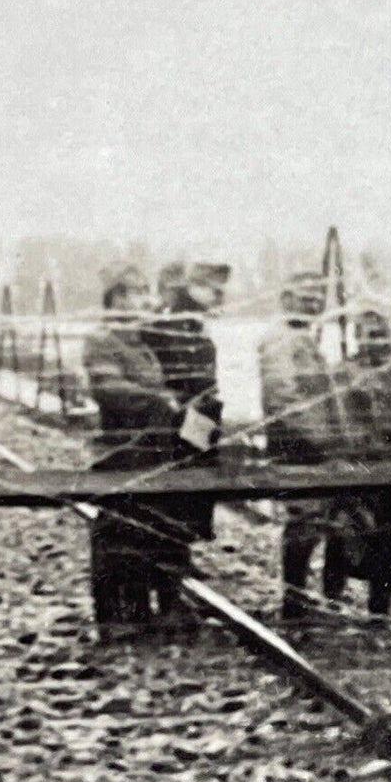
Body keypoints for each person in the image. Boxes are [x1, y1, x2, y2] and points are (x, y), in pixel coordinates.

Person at [82, 265, 184, 637]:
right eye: (135, 293)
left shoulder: (142, 345)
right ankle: (114, 617)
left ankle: (143, 609)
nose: (144, 300)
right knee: (117, 530)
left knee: (149, 525)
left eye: (144, 292)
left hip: (150, 450)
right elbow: (108, 389)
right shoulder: (102, 340)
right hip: (120, 449)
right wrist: (159, 400)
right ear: (116, 299)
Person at [323, 310, 391, 617]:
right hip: (356, 465)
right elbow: (332, 419)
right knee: (343, 535)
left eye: (382, 335)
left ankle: (380, 610)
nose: (376, 342)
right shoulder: (341, 372)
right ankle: (331, 598)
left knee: (390, 541)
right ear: (357, 337)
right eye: (369, 334)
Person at [141, 261, 230, 618]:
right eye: (212, 289)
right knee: (176, 496)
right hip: (176, 422)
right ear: (192, 286)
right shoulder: (168, 322)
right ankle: (169, 577)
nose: (218, 296)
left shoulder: (195, 322)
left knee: (193, 494)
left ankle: (180, 560)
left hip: (199, 418)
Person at [257, 270, 333, 619]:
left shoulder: (300, 337)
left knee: (315, 521)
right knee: (304, 520)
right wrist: (321, 437)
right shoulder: (280, 338)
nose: (313, 304)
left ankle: (300, 597)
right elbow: (281, 398)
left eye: (318, 298)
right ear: (286, 299)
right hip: (297, 442)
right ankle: (294, 601)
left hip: (309, 440)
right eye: (305, 298)